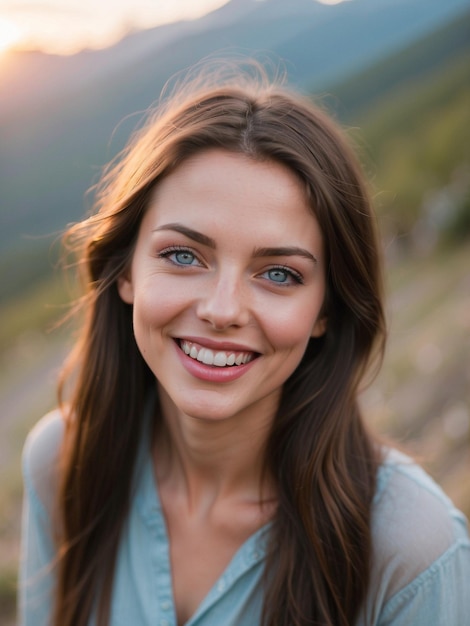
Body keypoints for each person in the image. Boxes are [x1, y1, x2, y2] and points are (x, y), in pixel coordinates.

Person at [19, 61, 470, 626]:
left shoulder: (411, 552)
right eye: (183, 256)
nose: (223, 310)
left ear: (325, 310)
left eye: (278, 273)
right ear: (126, 271)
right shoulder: (61, 463)